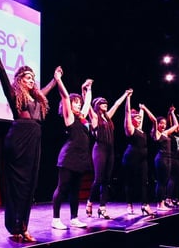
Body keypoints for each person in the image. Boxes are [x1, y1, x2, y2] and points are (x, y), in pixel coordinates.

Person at [0, 36, 61, 242]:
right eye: (28, 77)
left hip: (34, 140)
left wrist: (55, 79)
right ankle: (15, 225)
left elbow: (44, 91)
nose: (32, 80)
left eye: (33, 77)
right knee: (16, 185)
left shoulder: (37, 98)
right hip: (18, 139)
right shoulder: (14, 93)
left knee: (30, 184)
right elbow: (2, 74)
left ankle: (23, 226)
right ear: (20, 79)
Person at [51, 75, 95, 230]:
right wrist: (59, 80)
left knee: (75, 190)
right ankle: (55, 219)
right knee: (62, 188)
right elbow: (64, 95)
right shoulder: (69, 118)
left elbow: (88, 101)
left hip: (81, 158)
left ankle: (74, 218)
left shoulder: (82, 119)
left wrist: (88, 89)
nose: (78, 105)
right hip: (68, 157)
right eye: (75, 103)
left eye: (79, 103)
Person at [85, 90, 128, 219]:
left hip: (110, 150)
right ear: (97, 105)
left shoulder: (108, 117)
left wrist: (125, 95)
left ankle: (102, 208)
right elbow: (88, 106)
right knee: (98, 179)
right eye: (102, 103)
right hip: (99, 148)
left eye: (106, 103)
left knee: (106, 180)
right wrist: (88, 90)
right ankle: (90, 202)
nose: (105, 104)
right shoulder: (95, 117)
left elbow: (116, 104)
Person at [121, 89, 156, 216]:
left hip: (143, 160)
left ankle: (145, 205)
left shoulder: (140, 129)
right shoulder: (130, 129)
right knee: (130, 182)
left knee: (144, 182)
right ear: (132, 119)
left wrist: (143, 108)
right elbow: (127, 112)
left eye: (140, 118)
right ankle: (129, 205)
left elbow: (143, 115)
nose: (140, 119)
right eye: (137, 118)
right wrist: (128, 97)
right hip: (130, 158)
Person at [150, 105, 179, 211]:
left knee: (165, 181)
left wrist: (172, 113)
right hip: (161, 159)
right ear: (157, 124)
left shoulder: (166, 133)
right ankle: (159, 204)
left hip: (168, 158)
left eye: (165, 124)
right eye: (161, 123)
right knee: (161, 181)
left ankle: (162, 202)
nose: (163, 125)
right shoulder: (156, 134)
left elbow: (176, 125)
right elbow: (153, 120)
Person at [165, 108, 179, 207]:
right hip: (173, 159)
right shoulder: (169, 135)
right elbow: (174, 125)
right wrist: (171, 113)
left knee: (177, 179)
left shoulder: (178, 135)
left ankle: (175, 198)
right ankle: (168, 198)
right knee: (172, 179)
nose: (177, 128)